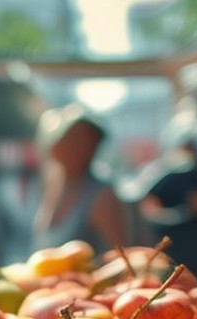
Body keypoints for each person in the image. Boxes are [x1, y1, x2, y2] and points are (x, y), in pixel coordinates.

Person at [119, 112, 197, 277]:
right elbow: (148, 206)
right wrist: (177, 215)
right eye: (187, 146)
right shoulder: (169, 176)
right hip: (175, 251)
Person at [31, 104, 127, 255]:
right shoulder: (50, 185)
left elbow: (121, 255)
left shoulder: (101, 195)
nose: (81, 147)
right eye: (72, 139)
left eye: (89, 141)